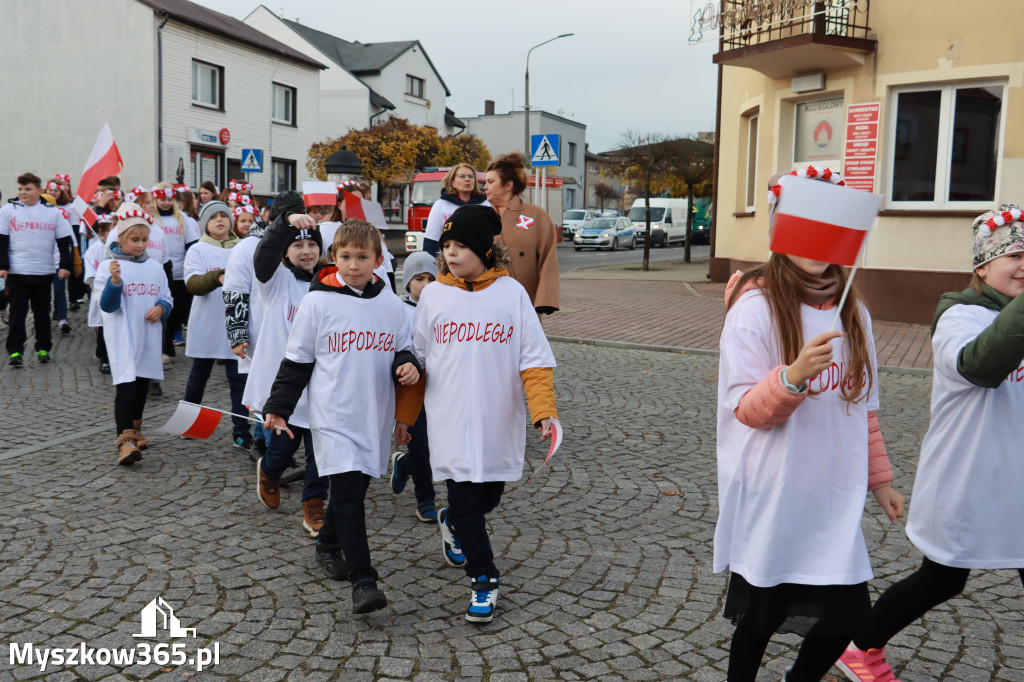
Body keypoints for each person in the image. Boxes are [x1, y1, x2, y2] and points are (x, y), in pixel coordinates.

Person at [715, 170, 905, 681]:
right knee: (761, 618)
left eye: (833, 227)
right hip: (775, 492)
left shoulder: (852, 314)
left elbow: (861, 407)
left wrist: (880, 481)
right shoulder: (755, 308)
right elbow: (746, 410)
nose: (820, 242)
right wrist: (793, 378)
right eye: (808, 226)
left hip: (831, 496)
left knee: (846, 617)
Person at [837, 206, 1024, 682]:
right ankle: (859, 647)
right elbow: (981, 365)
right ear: (982, 265)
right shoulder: (959, 316)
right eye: (1017, 254)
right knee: (941, 579)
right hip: (970, 479)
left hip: (1018, 479)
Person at [262, 219, 421, 615]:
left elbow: (404, 349)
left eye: (362, 257)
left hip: (374, 415)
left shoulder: (393, 306)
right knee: (349, 494)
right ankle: (363, 580)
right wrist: (278, 407)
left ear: (379, 260)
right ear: (334, 257)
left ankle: (327, 543)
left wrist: (407, 366)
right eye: (346, 256)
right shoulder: (317, 303)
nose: (353, 265)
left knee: (354, 491)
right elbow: (297, 362)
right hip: (332, 415)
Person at [410, 204, 558, 623]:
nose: (452, 253)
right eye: (447, 245)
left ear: (484, 250)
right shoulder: (434, 294)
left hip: (497, 420)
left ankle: (452, 520)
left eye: (461, 245)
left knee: (488, 496)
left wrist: (543, 411)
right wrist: (405, 419)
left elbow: (534, 359)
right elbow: (416, 358)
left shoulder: (511, 294)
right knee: (467, 501)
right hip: (449, 422)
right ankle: (484, 580)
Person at [249, 205, 328, 537]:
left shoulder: (329, 285)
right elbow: (263, 255)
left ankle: (313, 504)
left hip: (319, 383)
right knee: (282, 450)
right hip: (284, 386)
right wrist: (284, 224)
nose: (306, 251)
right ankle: (268, 471)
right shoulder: (276, 282)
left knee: (319, 451)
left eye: (312, 245)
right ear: (286, 251)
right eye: (298, 245)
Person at [94, 203, 172, 465]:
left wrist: (161, 308)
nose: (140, 245)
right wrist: (115, 282)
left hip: (147, 337)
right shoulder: (109, 267)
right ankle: (124, 440)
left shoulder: (155, 267)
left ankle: (136, 430)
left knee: (140, 388)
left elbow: (166, 297)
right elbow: (107, 306)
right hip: (123, 338)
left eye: (144, 239)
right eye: (134, 240)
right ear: (121, 238)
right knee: (126, 387)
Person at [225, 195, 292, 459]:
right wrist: (238, 333)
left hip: (288, 329)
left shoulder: (298, 245)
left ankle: (278, 446)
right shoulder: (246, 248)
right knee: (263, 385)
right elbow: (234, 293)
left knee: (284, 385)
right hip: (259, 327)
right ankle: (265, 445)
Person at [182, 200, 251, 449]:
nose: (220, 220)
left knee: (238, 380)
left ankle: (241, 431)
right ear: (205, 225)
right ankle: (191, 425)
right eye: (214, 217)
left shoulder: (243, 247)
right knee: (199, 375)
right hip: (207, 322)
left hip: (236, 322)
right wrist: (217, 276)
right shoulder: (197, 250)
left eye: (224, 215)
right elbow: (193, 284)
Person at [0, 172, 75, 366]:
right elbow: (1, 241)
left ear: (39, 191)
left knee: (42, 312)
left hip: (43, 271)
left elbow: (65, 242)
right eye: (20, 189)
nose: (23, 192)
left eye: (28, 189)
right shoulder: (8, 211)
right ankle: (15, 351)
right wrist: (2, 266)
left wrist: (65, 266)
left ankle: (43, 347)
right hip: (18, 272)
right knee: (18, 313)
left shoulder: (52, 213)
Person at [389, 250, 439, 523]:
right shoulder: (399, 311)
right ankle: (425, 498)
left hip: (442, 387)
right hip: (412, 389)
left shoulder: (445, 308)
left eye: (432, 278)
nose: (426, 285)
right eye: (419, 278)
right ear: (408, 283)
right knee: (421, 446)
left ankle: (404, 463)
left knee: (437, 445)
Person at [483, 153, 560, 315]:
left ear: (508, 185)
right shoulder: (481, 217)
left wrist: (546, 299)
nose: (484, 187)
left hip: (526, 303)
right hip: (488, 301)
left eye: (490, 182)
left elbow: (549, 260)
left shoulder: (536, 215)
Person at [153, 182, 200, 353]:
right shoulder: (152, 219)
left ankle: (173, 334)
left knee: (179, 307)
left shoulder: (183, 219)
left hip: (179, 272)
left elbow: (192, 244)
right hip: (158, 272)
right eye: (161, 199)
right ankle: (164, 345)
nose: (165, 203)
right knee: (161, 307)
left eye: (168, 199)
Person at [422, 165, 490, 256]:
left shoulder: (486, 205)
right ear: (453, 182)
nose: (467, 179)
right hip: (450, 261)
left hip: (480, 261)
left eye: (471, 176)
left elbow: (493, 237)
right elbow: (431, 240)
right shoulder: (441, 205)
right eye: (462, 176)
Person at [84, 213, 114, 374]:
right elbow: (90, 275)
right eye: (109, 230)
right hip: (100, 294)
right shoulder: (94, 250)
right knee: (103, 328)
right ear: (101, 231)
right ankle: (105, 359)